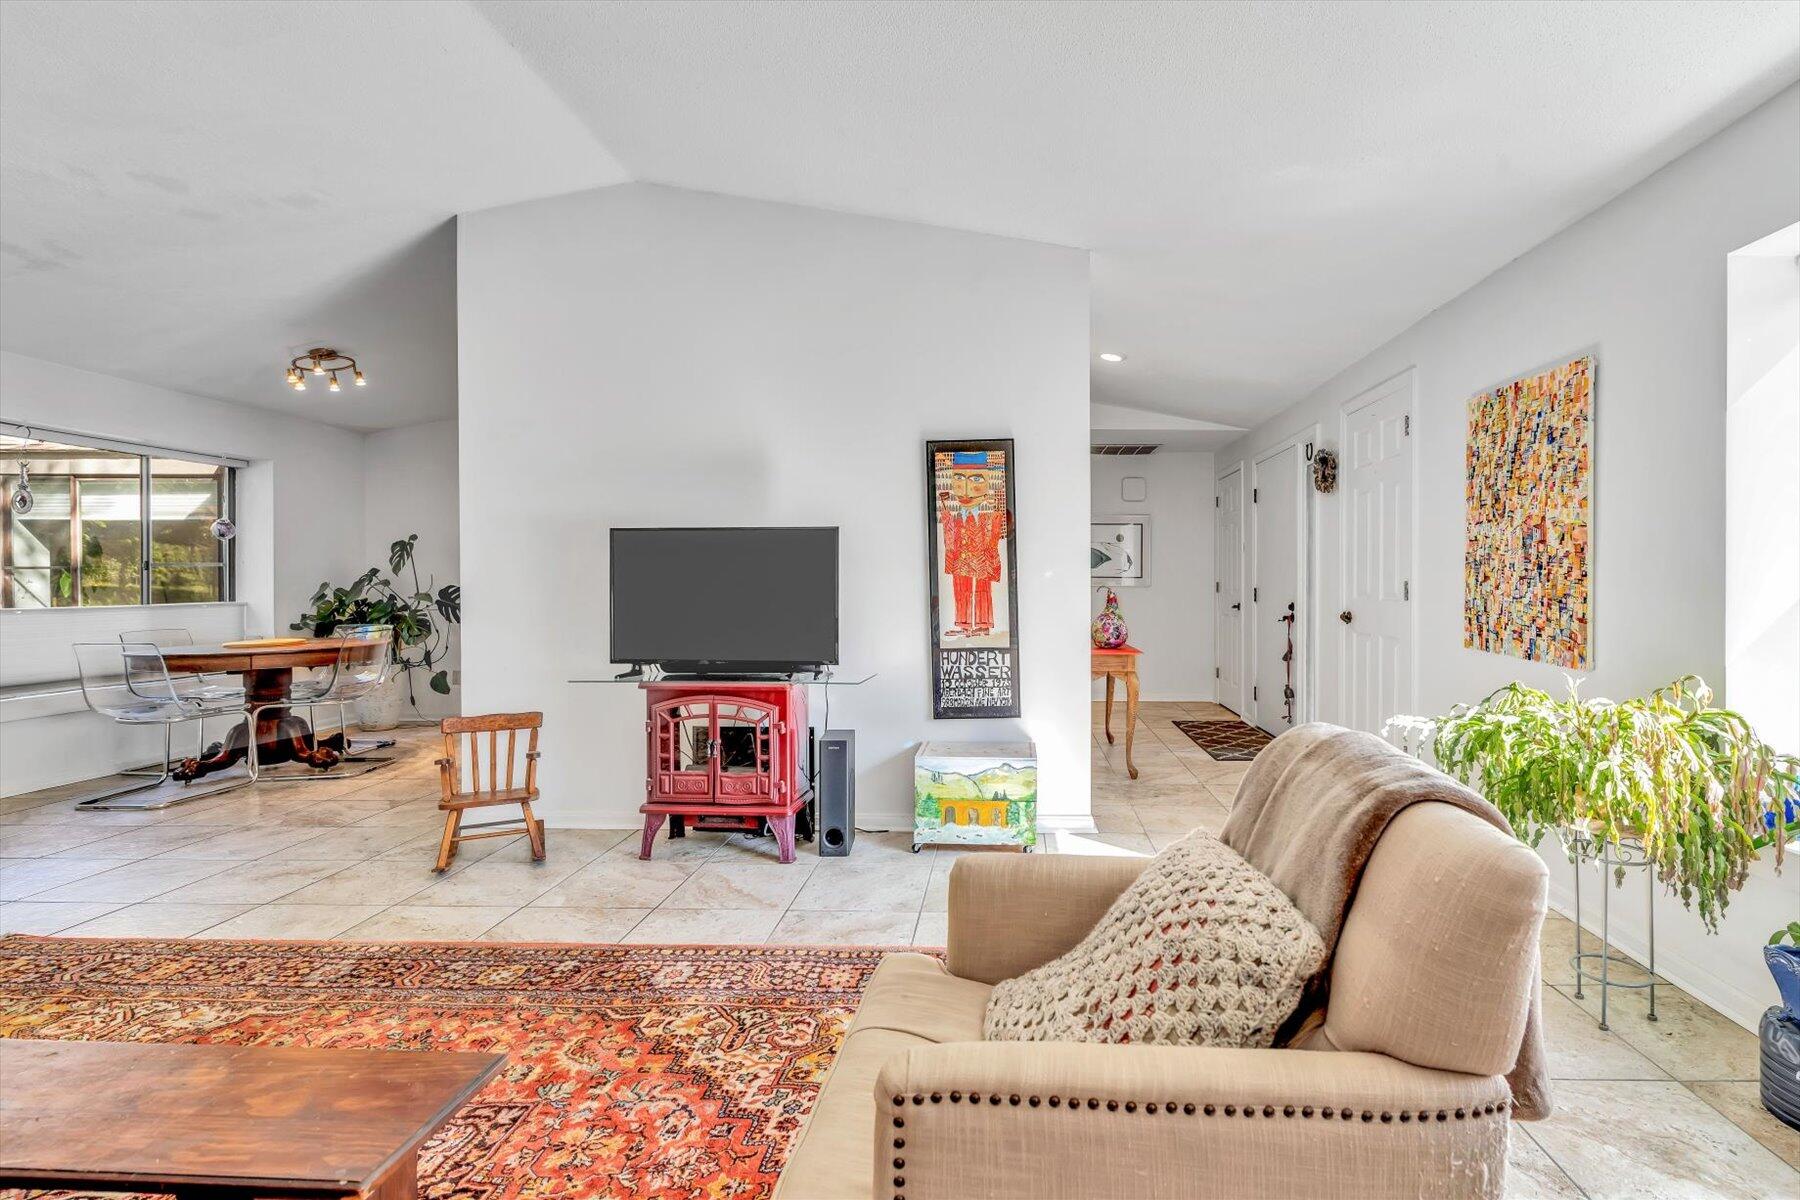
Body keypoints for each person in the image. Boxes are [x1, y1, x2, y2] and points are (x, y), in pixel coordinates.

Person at [937, 451, 1009, 638]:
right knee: (961, 589)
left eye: (976, 479)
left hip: (982, 557)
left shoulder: (990, 514)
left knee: (983, 590)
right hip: (961, 558)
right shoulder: (956, 514)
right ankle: (964, 625)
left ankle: (983, 624)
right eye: (959, 478)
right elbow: (950, 534)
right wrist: (945, 511)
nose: (967, 491)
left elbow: (995, 534)